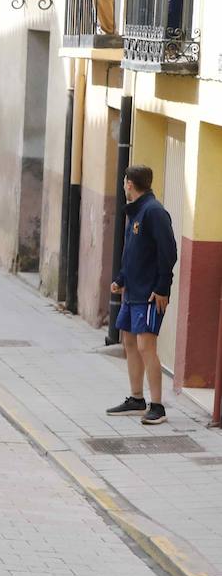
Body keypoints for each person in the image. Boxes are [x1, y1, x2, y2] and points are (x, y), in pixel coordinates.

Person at [107, 164, 178, 425]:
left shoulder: (154, 212)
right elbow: (134, 252)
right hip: (132, 291)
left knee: (146, 346)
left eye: (124, 181)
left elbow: (168, 251)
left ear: (129, 184)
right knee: (129, 342)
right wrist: (121, 279)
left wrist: (162, 287)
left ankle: (157, 406)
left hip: (149, 294)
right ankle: (136, 399)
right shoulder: (137, 212)